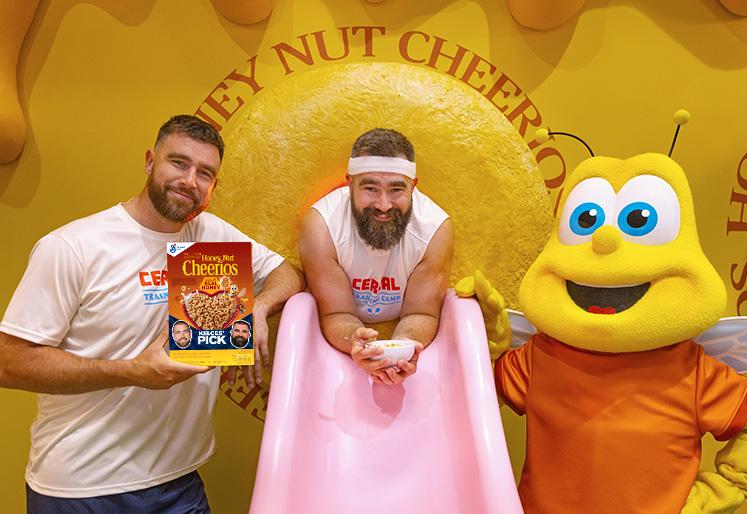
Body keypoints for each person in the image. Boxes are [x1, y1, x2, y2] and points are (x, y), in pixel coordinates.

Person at [0, 115, 305, 512]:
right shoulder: (74, 247)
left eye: (205, 173)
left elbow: (288, 273)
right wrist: (131, 372)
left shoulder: (210, 236)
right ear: (150, 161)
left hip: (179, 483)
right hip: (81, 487)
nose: (189, 181)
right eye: (178, 163)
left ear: (214, 185)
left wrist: (259, 308)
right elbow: (8, 362)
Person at [298, 128, 453, 386]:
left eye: (396, 190)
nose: (383, 204)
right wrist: (356, 341)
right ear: (350, 184)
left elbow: (422, 313)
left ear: (413, 186)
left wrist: (401, 351)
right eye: (370, 188)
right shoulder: (320, 226)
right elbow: (336, 313)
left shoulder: (436, 229)